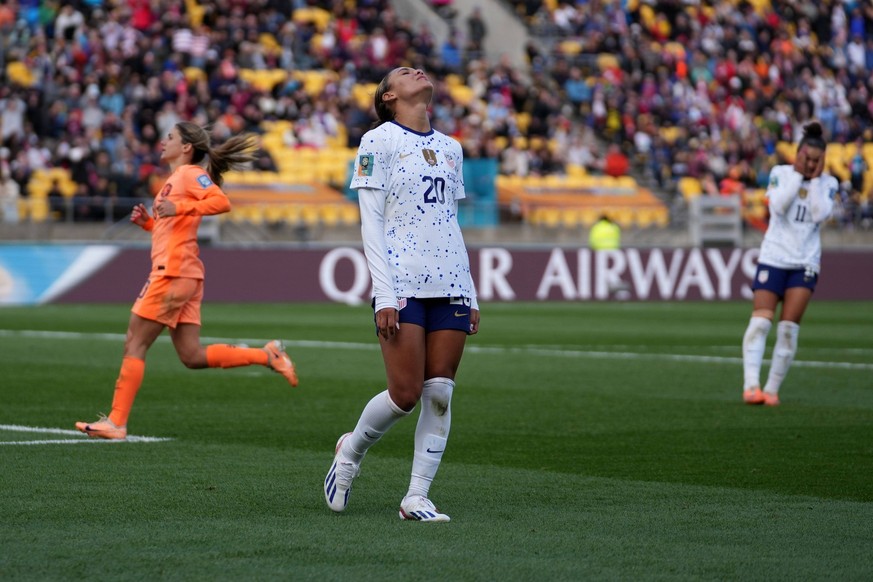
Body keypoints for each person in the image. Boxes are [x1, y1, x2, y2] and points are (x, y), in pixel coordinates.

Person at [323, 67, 480, 522]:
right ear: (389, 96)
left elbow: (450, 221)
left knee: (440, 392)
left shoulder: (452, 148)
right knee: (406, 393)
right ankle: (350, 452)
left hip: (450, 281)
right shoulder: (378, 141)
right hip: (404, 281)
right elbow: (370, 221)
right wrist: (384, 292)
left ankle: (417, 497)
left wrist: (469, 290)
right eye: (402, 72)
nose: (416, 70)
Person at [75, 122, 298, 440]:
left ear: (186, 148)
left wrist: (179, 206)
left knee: (135, 342)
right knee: (192, 356)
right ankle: (267, 355)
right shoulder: (174, 179)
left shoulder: (189, 174)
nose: (163, 142)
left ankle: (116, 422)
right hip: (184, 272)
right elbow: (176, 227)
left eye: (170, 137)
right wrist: (150, 225)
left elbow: (221, 201)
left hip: (173, 271)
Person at [741, 121, 837, 406]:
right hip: (774, 256)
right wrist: (797, 176)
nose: (810, 164)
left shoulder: (829, 183)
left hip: (804, 261)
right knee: (760, 322)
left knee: (788, 328)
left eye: (816, 161)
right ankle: (751, 386)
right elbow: (778, 206)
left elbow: (820, 214)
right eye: (806, 159)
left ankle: (771, 390)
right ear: (797, 155)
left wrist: (816, 180)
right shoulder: (780, 174)